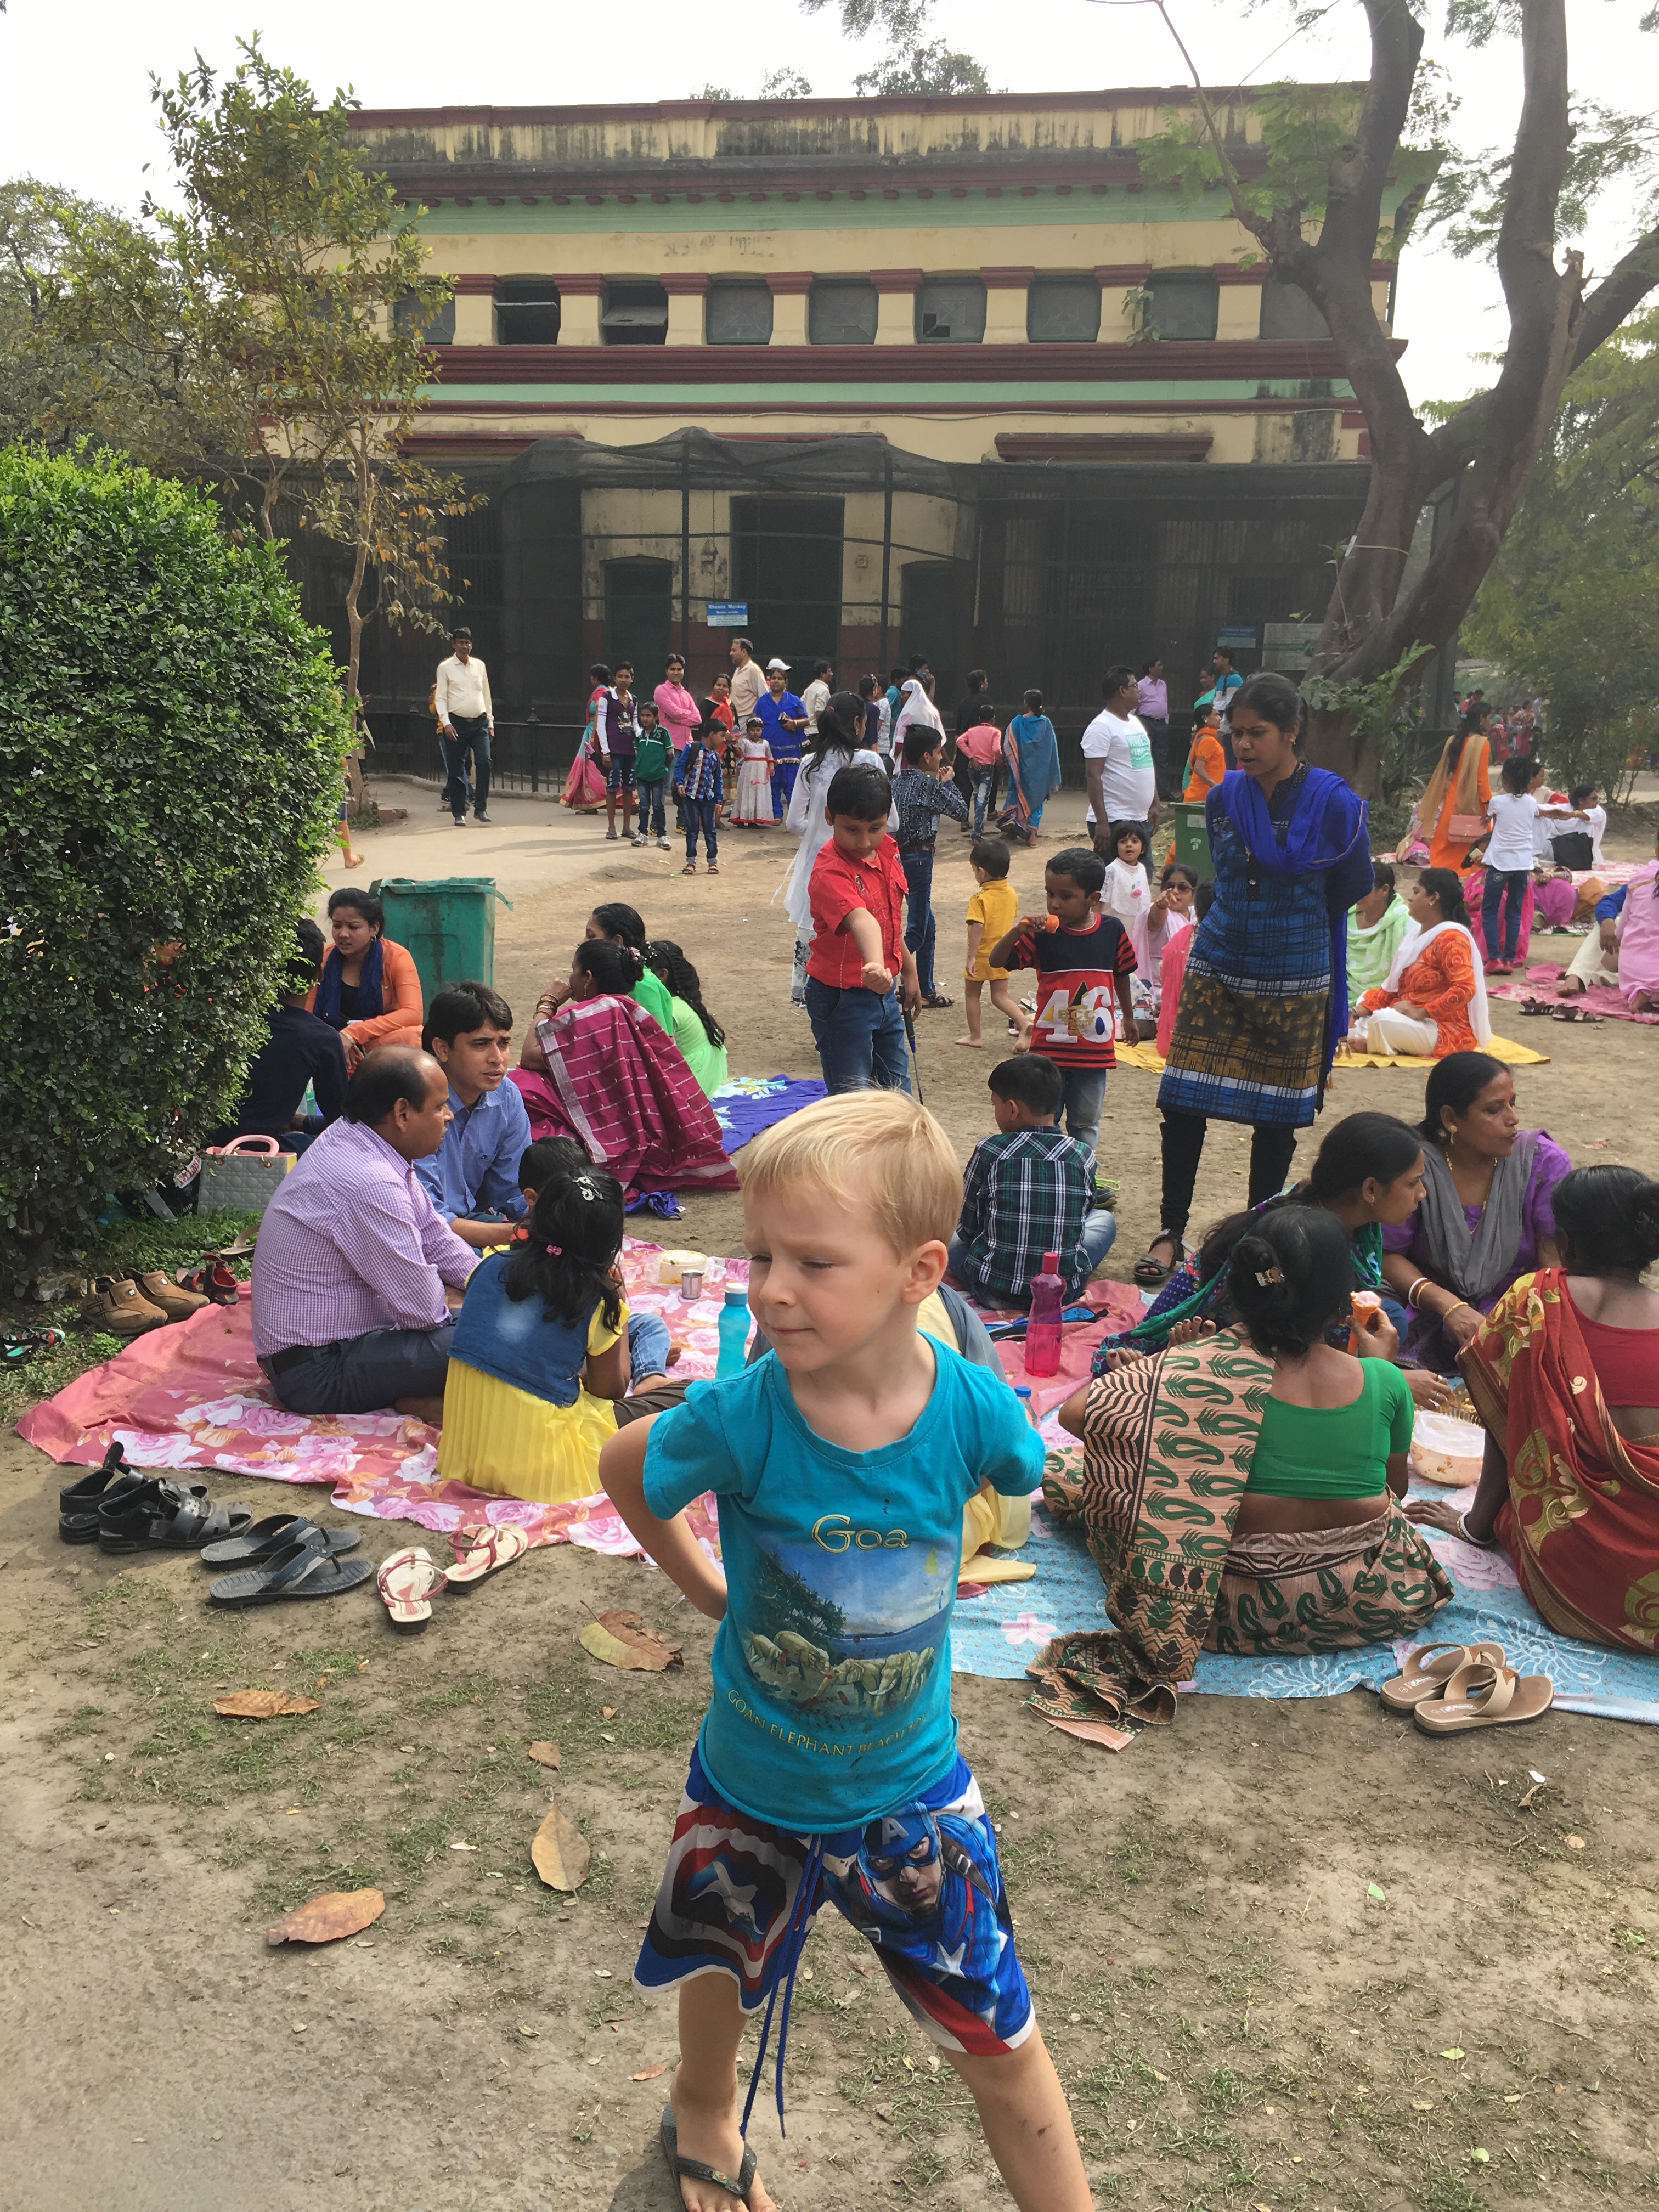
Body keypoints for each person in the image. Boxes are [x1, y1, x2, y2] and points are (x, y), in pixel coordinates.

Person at [601, 1092, 1090, 2212]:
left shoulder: (972, 1408)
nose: (773, 1288)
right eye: (761, 1255)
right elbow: (628, 1467)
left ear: (920, 1272)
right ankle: (702, 2109)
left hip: (910, 1798)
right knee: (720, 1956)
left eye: (813, 1262)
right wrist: (710, 1591)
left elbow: (1020, 1468)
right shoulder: (741, 1416)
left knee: (1002, 2039)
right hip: (748, 1783)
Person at [1055, 1205, 1451, 1670]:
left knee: (1069, 1471)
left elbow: (1074, 1415)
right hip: (1365, 1596)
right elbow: (1395, 1491)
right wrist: (1379, 1366)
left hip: (1221, 1605)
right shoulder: (1385, 1380)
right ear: (1341, 1305)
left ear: (1240, 1290)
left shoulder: (1199, 1369)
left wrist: (1175, 1385)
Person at [1146, 672, 1372, 1286]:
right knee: (1183, 1102)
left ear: (1292, 731)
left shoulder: (1334, 802)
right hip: (1220, 960)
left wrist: (1293, 921)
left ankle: (1257, 1233)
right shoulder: (1225, 798)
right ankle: (1171, 1230)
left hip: (1296, 969)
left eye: (1257, 733)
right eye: (1236, 733)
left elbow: (1352, 882)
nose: (1243, 745)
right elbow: (1221, 873)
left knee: (1276, 1119)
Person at [1406, 1165, 1659, 1653]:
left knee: (1520, 1504)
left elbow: (1506, 1419)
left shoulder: (1538, 1300)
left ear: (1566, 1242)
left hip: (1584, 1574)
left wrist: (1476, 1526)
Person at [1098, 1110, 1454, 1412]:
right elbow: (1277, 1338)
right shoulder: (1296, 1246)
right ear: (1370, 1190)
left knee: (1388, 1317)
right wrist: (1386, 1378)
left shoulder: (1352, 1223)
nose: (1422, 1194)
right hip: (1239, 1339)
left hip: (1291, 1328)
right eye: (1413, 1183)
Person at [436, 1164, 686, 1506]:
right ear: (608, 1244)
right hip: (547, 1466)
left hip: (468, 1458)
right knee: (692, 1396)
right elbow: (610, 1390)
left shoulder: (489, 1265)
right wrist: (617, 1299)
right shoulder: (594, 1297)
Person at [250, 1047, 475, 1421]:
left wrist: (489, 1283)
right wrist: (475, 1306)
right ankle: (421, 1397)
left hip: (340, 1350)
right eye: (439, 1107)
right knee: (497, 1340)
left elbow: (435, 1236)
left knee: (497, 1325)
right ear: (402, 1114)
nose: (449, 1116)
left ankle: (419, 1395)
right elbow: (424, 1310)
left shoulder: (362, 1140)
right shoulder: (369, 1181)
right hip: (317, 1373)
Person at [1380, 1052, 1569, 1373]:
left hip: (1516, 1312)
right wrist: (1448, 1305)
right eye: (1494, 1109)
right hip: (1426, 1306)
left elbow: (1553, 1264)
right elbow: (1387, 1252)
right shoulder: (1416, 1166)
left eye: (1512, 1104)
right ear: (1450, 1118)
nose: (1513, 1119)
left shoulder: (1542, 1163)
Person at [514, 940, 738, 1194]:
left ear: (588, 978)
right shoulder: (629, 1008)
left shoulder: (587, 1016)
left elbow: (530, 1057)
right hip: (643, 1126)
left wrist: (548, 1003)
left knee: (521, 1084)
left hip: (608, 1129)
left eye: (574, 970)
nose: (570, 977)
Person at [989, 846, 1139, 1158]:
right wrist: (1018, 930)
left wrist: (1128, 1016)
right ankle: (1044, 1169)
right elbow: (997, 960)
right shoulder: (1041, 935)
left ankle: (1081, 1173)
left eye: (1065, 896)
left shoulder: (1112, 931)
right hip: (1048, 1054)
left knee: (1085, 1122)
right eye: (1050, 893)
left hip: (1093, 1053)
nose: (1054, 903)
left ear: (1093, 898)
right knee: (1044, 1120)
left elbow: (1122, 973)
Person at [950, 1052, 1118, 1305]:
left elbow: (967, 1228)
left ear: (1012, 1109)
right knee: (1104, 1220)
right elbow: (1081, 1218)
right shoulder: (1083, 1155)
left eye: (995, 1105)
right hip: (1060, 1293)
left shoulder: (990, 1150)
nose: (995, 1112)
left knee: (948, 1235)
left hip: (992, 1291)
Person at [804, 761, 921, 1095]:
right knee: (853, 1100)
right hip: (842, 999)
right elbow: (862, 919)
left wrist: (908, 971)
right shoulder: (830, 870)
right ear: (830, 817)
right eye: (852, 829)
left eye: (875, 827)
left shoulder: (886, 851)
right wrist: (875, 965)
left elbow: (888, 922)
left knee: (897, 1092)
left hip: (884, 991)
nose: (865, 841)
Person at [780, 692, 888, 1007]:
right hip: (861, 864)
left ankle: (816, 999)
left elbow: (793, 822)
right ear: (857, 723)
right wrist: (863, 834)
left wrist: (821, 834)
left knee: (818, 928)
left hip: (818, 862)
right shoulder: (870, 761)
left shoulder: (809, 764)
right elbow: (890, 820)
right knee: (862, 925)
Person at [415, 982, 534, 1252]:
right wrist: (521, 1234)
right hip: (421, 1235)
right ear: (442, 1049)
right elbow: (428, 1222)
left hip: (473, 1223)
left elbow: (515, 1196)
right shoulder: (416, 1104)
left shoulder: (507, 1097)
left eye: (503, 1043)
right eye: (481, 1044)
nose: (497, 1058)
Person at [213, 919, 347, 1151]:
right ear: (319, 974)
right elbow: (342, 1119)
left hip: (205, 1145)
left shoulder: (225, 1021)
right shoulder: (321, 1038)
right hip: (267, 1152)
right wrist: (305, 1123)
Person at [1348, 868, 1488, 1060]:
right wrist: (1356, 1013)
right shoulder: (1415, 936)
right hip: (1409, 1018)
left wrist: (1422, 1012)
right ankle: (1374, 1038)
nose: (1410, 898)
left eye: (1416, 892)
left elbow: (1465, 988)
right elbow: (1393, 989)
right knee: (1365, 1002)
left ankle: (1371, 1043)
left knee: (1381, 1021)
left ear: (1433, 898)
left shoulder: (1451, 938)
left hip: (1443, 1028)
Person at [893, 722, 970, 1012]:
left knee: (928, 925)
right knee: (917, 928)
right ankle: (888, 973)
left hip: (898, 858)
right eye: (938, 752)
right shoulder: (928, 785)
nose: (941, 758)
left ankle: (926, 990)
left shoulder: (895, 783)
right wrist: (948, 782)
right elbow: (961, 812)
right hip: (920, 858)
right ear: (927, 756)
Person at [1475, 753, 1570, 972]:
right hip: (1522, 865)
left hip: (1500, 862)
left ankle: (1494, 958)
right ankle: (1509, 959)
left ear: (1506, 779)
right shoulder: (1531, 802)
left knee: (1490, 910)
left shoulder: (1497, 802)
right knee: (1514, 912)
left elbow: (1491, 822)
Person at [311, 888, 424, 1068]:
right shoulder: (324, 959)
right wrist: (336, 1039)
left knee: (414, 1036)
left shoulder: (396, 957)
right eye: (337, 926)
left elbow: (413, 1014)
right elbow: (308, 1014)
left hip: (377, 1041)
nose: (343, 934)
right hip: (332, 1041)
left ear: (374, 929)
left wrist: (353, 1034)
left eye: (353, 927)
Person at [956, 836, 1023, 1049]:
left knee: (972, 995)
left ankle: (975, 1036)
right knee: (1001, 997)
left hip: (983, 955)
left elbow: (978, 927)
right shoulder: (1011, 894)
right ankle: (1024, 1023)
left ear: (981, 872)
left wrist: (971, 957)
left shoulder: (979, 899)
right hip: (1003, 954)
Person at [646, 939, 731, 1096]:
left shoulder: (669, 1009)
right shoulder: (682, 1000)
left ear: (662, 975)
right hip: (705, 1078)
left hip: (694, 1083)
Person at [1081, 665, 1158, 840]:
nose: (1139, 690)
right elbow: (1093, 775)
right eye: (1135, 685)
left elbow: (1146, 764)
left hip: (1140, 818)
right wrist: (1102, 821)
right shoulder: (1101, 727)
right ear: (1122, 691)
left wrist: (1154, 802)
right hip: (1114, 819)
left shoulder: (1136, 723)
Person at [1420, 705, 1493, 873]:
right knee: (1477, 835)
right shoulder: (1482, 743)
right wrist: (1489, 803)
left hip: (1452, 797)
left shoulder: (1454, 740)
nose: (1492, 722)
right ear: (1481, 718)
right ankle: (1468, 866)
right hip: (1472, 799)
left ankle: (1442, 865)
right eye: (1490, 718)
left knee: (1449, 835)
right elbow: (1481, 778)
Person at [433, 625, 494, 827]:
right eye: (461, 642)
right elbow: (441, 698)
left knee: (484, 762)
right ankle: (459, 812)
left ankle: (481, 808)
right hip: (456, 723)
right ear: (454, 644)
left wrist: (490, 722)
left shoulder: (479, 666)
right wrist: (446, 723)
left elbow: (486, 694)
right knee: (457, 768)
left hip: (479, 722)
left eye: (467, 643)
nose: (464, 646)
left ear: (471, 645)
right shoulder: (445, 667)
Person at [583, 902, 676, 1031]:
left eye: (591, 936)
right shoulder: (615, 977)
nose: (584, 942)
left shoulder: (642, 986)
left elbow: (658, 1039)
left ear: (616, 942)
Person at [1128, 860, 1197, 1014]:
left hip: (1188, 988)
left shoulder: (1196, 917)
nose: (1175, 892)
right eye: (1170, 886)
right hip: (1156, 991)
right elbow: (1156, 920)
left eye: (1183, 888)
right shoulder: (1158, 911)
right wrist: (1160, 906)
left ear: (1193, 893)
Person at [1155, 879, 1212, 1059]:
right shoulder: (1224, 942)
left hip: (1176, 1031)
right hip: (1211, 1031)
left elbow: (1162, 971)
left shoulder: (1183, 935)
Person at [998, 689, 1062, 847]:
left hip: (1021, 770)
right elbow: (1052, 748)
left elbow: (1009, 745)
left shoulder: (1017, 722)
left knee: (1016, 795)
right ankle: (1032, 835)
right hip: (1040, 771)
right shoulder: (1046, 723)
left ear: (1026, 704)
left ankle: (1013, 825)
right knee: (1037, 802)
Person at [1611, 824, 1659, 1014]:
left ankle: (1642, 994)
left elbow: (1623, 923)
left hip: (1630, 966)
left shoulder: (1639, 879)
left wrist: (1616, 940)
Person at [1346, 860, 1412, 994]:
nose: (1356, 893)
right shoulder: (1344, 919)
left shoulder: (1405, 924)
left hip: (1384, 999)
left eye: (1364, 888)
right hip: (1342, 996)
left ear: (1384, 890)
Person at [1556, 879, 1624, 998]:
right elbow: (1608, 902)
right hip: (1632, 955)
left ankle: (1594, 977)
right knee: (1609, 922)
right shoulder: (1646, 881)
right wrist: (1607, 920)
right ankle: (1578, 975)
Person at [757, 659, 807, 815]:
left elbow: (807, 720)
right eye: (773, 678)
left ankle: (794, 817)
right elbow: (756, 722)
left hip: (790, 749)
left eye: (780, 678)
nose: (776, 681)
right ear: (769, 681)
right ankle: (776, 815)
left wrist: (795, 723)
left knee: (792, 784)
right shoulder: (762, 701)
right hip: (770, 749)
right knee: (772, 784)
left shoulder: (794, 700)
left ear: (785, 682)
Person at [674, 721, 724, 876]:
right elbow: (680, 766)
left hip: (708, 798)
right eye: (722, 735)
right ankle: (691, 862)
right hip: (691, 796)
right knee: (692, 829)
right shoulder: (692, 749)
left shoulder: (716, 756)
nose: (724, 739)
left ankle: (712, 862)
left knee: (710, 830)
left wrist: (719, 801)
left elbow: (718, 779)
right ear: (712, 734)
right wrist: (679, 783)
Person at [563, 663, 611, 812]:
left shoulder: (600, 693)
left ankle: (592, 801)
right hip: (599, 732)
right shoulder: (608, 691)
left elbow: (597, 717)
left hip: (594, 732)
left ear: (596, 679)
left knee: (591, 767)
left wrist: (593, 737)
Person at [601, 662, 640, 843]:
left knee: (629, 788)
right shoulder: (607, 697)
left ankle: (626, 827)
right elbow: (601, 725)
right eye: (621, 676)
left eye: (627, 677)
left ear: (632, 679)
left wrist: (642, 738)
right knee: (612, 787)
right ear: (615, 678)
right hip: (614, 749)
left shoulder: (633, 700)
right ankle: (611, 828)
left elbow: (635, 724)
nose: (624, 680)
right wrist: (605, 751)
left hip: (630, 749)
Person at [630, 702, 675, 852]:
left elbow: (670, 754)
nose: (645, 719)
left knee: (658, 806)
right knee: (644, 806)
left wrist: (663, 769)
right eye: (643, 715)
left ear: (655, 717)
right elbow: (637, 753)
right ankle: (643, 834)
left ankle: (662, 836)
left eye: (648, 716)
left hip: (658, 777)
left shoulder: (663, 733)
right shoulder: (640, 734)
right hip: (642, 776)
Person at [955, 701, 1003, 838]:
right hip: (987, 768)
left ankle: (979, 825)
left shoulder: (972, 731)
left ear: (980, 718)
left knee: (978, 795)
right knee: (982, 798)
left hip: (973, 767)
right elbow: (996, 750)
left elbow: (959, 741)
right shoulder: (995, 732)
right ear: (993, 719)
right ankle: (977, 832)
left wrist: (971, 757)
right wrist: (998, 760)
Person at [1098, 819, 1152, 938]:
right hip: (1112, 931)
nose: (1129, 845)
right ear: (1116, 847)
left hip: (1136, 931)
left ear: (1143, 848)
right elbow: (1099, 901)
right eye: (1123, 841)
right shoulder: (1112, 870)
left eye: (1135, 841)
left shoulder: (1142, 869)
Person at [1137, 658, 1174, 800]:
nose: (1161, 668)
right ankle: (1145, 792)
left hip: (1161, 724)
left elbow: (1165, 703)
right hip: (1146, 722)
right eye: (1159, 665)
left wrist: (1166, 721)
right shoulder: (1141, 685)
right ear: (1151, 669)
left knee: (1162, 759)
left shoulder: (1163, 684)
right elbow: (1135, 706)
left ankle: (1164, 792)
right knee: (1145, 757)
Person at [729, 714, 775, 826]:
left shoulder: (765, 743)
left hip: (761, 772)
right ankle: (743, 818)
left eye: (758, 730)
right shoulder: (745, 742)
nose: (756, 733)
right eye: (753, 730)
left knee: (759, 793)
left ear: (762, 730)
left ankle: (754, 818)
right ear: (748, 731)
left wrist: (771, 767)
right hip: (748, 771)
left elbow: (770, 757)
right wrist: (736, 748)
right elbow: (739, 754)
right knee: (747, 792)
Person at [654, 654, 700, 759]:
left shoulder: (686, 694)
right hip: (670, 746)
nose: (676, 672)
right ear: (667, 672)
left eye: (679, 669)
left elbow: (698, 718)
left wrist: (680, 722)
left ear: (683, 671)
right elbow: (674, 713)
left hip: (689, 746)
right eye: (673, 669)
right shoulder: (661, 690)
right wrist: (689, 713)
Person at [1182, 704, 1226, 802]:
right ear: (1205, 718)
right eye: (1216, 715)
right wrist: (1216, 787)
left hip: (1204, 795)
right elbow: (1199, 769)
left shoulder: (1203, 737)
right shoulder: (1208, 740)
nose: (1220, 718)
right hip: (1203, 796)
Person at [727, 636, 765, 726]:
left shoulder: (754, 670)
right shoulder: (738, 670)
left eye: (734, 651)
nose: (731, 654)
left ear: (744, 652)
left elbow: (764, 696)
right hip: (734, 719)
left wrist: (755, 718)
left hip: (746, 721)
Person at [859, 670, 891, 757]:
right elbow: (873, 734)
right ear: (874, 690)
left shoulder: (856, 704)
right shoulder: (873, 709)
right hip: (867, 748)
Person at [800, 658, 833, 738]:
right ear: (823, 674)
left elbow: (801, 705)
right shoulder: (824, 690)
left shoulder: (809, 688)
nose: (832, 674)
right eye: (829, 671)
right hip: (817, 734)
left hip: (806, 733)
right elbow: (819, 712)